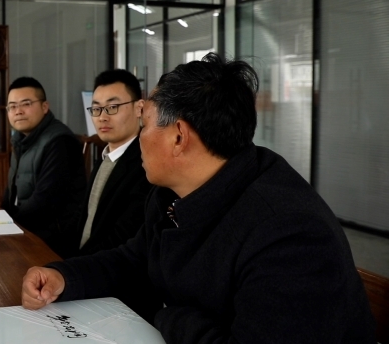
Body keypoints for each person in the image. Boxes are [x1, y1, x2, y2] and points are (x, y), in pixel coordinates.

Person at [20, 54, 376, 342]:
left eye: (146, 123)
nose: (140, 136)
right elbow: (134, 259)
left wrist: (167, 314)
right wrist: (64, 277)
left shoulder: (289, 233)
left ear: (179, 137)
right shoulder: (170, 193)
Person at [2, 77, 86, 258]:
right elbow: (11, 191)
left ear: (45, 107)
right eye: (12, 106)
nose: (18, 111)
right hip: (26, 230)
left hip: (52, 241)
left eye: (26, 104)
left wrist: (8, 223)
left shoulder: (59, 141)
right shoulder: (21, 139)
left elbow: (44, 202)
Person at [76, 69, 152, 257]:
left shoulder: (147, 165)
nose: (102, 117)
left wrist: (73, 266)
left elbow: (123, 238)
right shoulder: (106, 157)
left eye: (112, 107)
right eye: (96, 109)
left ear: (139, 108)